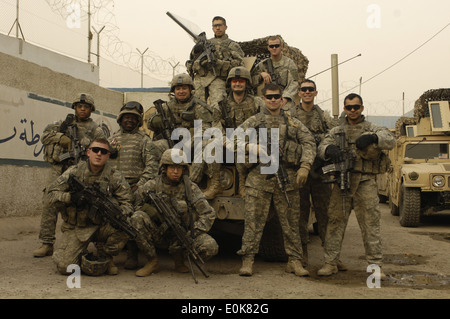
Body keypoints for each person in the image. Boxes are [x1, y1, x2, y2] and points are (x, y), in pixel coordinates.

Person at [236, 83, 316, 277]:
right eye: (269, 97)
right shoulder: (254, 121)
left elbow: (309, 142)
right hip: (259, 177)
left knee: (291, 223)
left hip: (286, 177)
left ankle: (295, 261)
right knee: (253, 222)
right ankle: (247, 261)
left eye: (276, 97)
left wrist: (305, 166)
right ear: (264, 99)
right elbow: (232, 139)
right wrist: (250, 147)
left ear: (282, 99)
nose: (273, 100)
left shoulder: (292, 122)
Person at [317, 93, 395, 279]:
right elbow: (322, 147)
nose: (352, 110)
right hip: (341, 183)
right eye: (349, 107)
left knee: (370, 226)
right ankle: (330, 263)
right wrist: (330, 149)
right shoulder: (337, 131)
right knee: (335, 223)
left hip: (365, 182)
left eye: (356, 107)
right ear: (344, 109)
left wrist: (373, 138)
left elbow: (391, 140)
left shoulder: (371, 127)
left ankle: (375, 267)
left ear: (361, 108)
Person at [47, 138, 134, 276]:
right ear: (88, 152)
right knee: (65, 267)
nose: (99, 154)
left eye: (103, 151)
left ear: (108, 155)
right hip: (78, 227)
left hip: (102, 225)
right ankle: (80, 254)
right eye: (95, 150)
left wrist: (116, 212)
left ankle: (105, 255)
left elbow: (128, 203)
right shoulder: (74, 172)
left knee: (127, 225)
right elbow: (50, 194)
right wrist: (72, 197)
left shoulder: (114, 176)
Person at [33, 93, 106, 257]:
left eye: (86, 107)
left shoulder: (96, 129)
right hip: (59, 169)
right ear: (75, 108)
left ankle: (83, 243)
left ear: (91, 110)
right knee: (49, 202)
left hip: (81, 170)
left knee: (82, 206)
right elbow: (45, 136)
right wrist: (61, 138)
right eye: (79, 106)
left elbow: (102, 147)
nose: (82, 109)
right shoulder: (63, 124)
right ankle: (46, 243)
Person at [131, 149, 218, 277]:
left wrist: (192, 233)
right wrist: (151, 212)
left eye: (179, 168)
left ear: (184, 169)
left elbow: (208, 214)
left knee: (211, 246)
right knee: (137, 218)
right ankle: (152, 261)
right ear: (164, 168)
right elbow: (135, 204)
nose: (176, 172)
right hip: (160, 233)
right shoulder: (153, 185)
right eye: (172, 167)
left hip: (183, 234)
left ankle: (180, 258)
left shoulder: (191, 188)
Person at [285, 79, 338, 266]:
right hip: (298, 170)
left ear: (315, 93)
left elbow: (334, 136)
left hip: (320, 170)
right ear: (298, 93)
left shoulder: (323, 116)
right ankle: (301, 255)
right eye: (304, 90)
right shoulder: (291, 115)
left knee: (325, 214)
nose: (307, 92)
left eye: (310, 90)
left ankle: (331, 257)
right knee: (299, 215)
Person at [147, 73, 214, 186]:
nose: (181, 91)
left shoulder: (198, 106)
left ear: (190, 89)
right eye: (178, 89)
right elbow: (150, 123)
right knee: (154, 147)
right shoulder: (167, 107)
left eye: (184, 88)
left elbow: (206, 128)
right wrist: (155, 121)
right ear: (174, 91)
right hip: (171, 142)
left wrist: (189, 142)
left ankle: (191, 184)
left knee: (204, 145)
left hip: (192, 143)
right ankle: (156, 181)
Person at [108, 101, 153, 269]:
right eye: (126, 117)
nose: (129, 120)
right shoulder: (112, 139)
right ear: (120, 119)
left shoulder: (144, 140)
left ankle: (132, 255)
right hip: (114, 189)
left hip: (135, 187)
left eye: (133, 118)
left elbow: (151, 167)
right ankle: (108, 256)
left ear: (138, 121)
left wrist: (139, 186)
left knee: (132, 220)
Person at [208, 66, 265, 198]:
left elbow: (263, 123)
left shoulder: (256, 102)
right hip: (227, 143)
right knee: (211, 146)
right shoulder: (221, 105)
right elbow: (216, 128)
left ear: (246, 83)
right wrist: (226, 142)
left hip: (248, 143)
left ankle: (242, 184)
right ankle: (215, 184)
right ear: (230, 83)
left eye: (241, 81)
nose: (238, 84)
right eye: (234, 81)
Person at [186, 16, 245, 111]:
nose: (218, 28)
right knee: (198, 109)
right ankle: (199, 126)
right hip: (201, 79)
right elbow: (190, 62)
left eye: (220, 25)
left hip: (219, 79)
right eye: (215, 26)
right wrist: (199, 59)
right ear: (212, 28)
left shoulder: (232, 45)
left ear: (225, 27)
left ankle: (217, 126)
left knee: (218, 108)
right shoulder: (205, 43)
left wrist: (219, 63)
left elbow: (240, 65)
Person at [251, 35, 299, 109]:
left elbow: (294, 83)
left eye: (277, 46)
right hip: (267, 98)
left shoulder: (289, 63)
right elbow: (251, 82)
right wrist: (260, 75)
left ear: (281, 47)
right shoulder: (263, 64)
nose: (274, 48)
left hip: (283, 97)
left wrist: (285, 97)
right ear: (268, 48)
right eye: (271, 46)